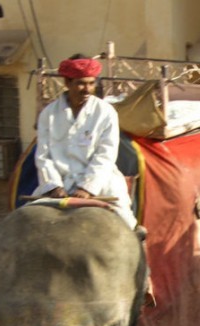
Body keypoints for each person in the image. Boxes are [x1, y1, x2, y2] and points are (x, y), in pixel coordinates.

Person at [32, 54, 136, 230]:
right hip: (60, 185)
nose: (87, 89)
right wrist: (54, 186)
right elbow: (43, 155)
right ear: (67, 83)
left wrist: (87, 187)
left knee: (127, 224)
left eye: (91, 83)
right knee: (26, 221)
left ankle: (138, 249)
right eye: (80, 83)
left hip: (101, 183)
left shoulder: (106, 112)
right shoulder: (48, 114)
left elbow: (106, 155)